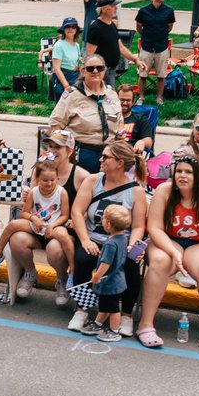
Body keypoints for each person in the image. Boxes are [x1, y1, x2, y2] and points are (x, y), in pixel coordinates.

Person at [136, 156, 199, 349]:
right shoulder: (164, 191)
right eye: (179, 171)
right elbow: (155, 228)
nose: (182, 176)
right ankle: (146, 324)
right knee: (160, 261)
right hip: (168, 240)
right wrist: (173, 253)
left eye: (188, 172)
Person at [64, 141, 148, 336]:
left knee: (130, 266)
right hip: (93, 237)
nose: (100, 159)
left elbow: (137, 226)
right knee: (84, 259)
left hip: (120, 242)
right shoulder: (93, 181)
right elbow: (77, 212)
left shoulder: (136, 191)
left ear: (119, 163)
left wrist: (132, 246)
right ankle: (82, 309)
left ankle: (126, 314)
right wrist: (85, 240)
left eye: (105, 157)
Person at [0, 156, 73, 302]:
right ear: (38, 179)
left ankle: (72, 271)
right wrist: (34, 218)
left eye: (52, 180)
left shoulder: (61, 192)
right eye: (45, 180)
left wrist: (53, 225)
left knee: (64, 236)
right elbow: (24, 213)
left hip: (53, 226)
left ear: (57, 178)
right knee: (13, 225)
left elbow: (65, 215)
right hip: (37, 225)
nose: (49, 183)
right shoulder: (34, 192)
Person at [49, 54, 124, 173]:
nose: (95, 71)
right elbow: (55, 125)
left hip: (110, 154)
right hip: (83, 154)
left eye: (99, 68)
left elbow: (119, 120)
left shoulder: (112, 94)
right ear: (83, 71)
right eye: (90, 68)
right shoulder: (72, 95)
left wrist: (120, 135)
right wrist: (61, 153)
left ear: (104, 71)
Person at [81, 205, 132, 342]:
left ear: (108, 224)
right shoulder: (122, 239)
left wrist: (97, 276)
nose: (102, 220)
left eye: (103, 218)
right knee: (105, 305)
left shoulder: (110, 244)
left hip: (110, 281)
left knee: (113, 308)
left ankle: (114, 330)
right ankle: (98, 324)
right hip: (117, 279)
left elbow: (106, 264)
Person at [84, 0, 138, 88]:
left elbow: (121, 47)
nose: (116, 8)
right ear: (104, 9)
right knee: (104, 99)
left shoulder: (111, 25)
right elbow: (89, 55)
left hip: (111, 70)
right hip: (101, 72)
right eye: (113, 6)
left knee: (109, 98)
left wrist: (135, 60)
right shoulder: (96, 28)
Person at [133, 0, 174, 106]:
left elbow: (169, 27)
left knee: (161, 75)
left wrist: (160, 35)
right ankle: (141, 97)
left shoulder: (169, 10)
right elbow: (139, 27)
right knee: (143, 74)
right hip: (146, 47)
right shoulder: (143, 11)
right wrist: (147, 36)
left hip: (162, 46)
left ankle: (159, 98)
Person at [115, 82, 155, 156]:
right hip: (111, 153)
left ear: (133, 102)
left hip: (130, 156)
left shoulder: (140, 118)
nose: (124, 103)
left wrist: (142, 142)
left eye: (128, 100)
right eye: (122, 100)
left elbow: (149, 141)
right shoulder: (109, 117)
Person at [49, 17, 83, 100]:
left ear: (76, 30)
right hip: (63, 79)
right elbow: (56, 69)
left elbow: (76, 63)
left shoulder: (76, 45)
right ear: (63, 29)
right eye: (67, 27)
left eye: (73, 27)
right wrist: (66, 86)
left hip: (75, 77)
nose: (70, 29)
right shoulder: (59, 45)